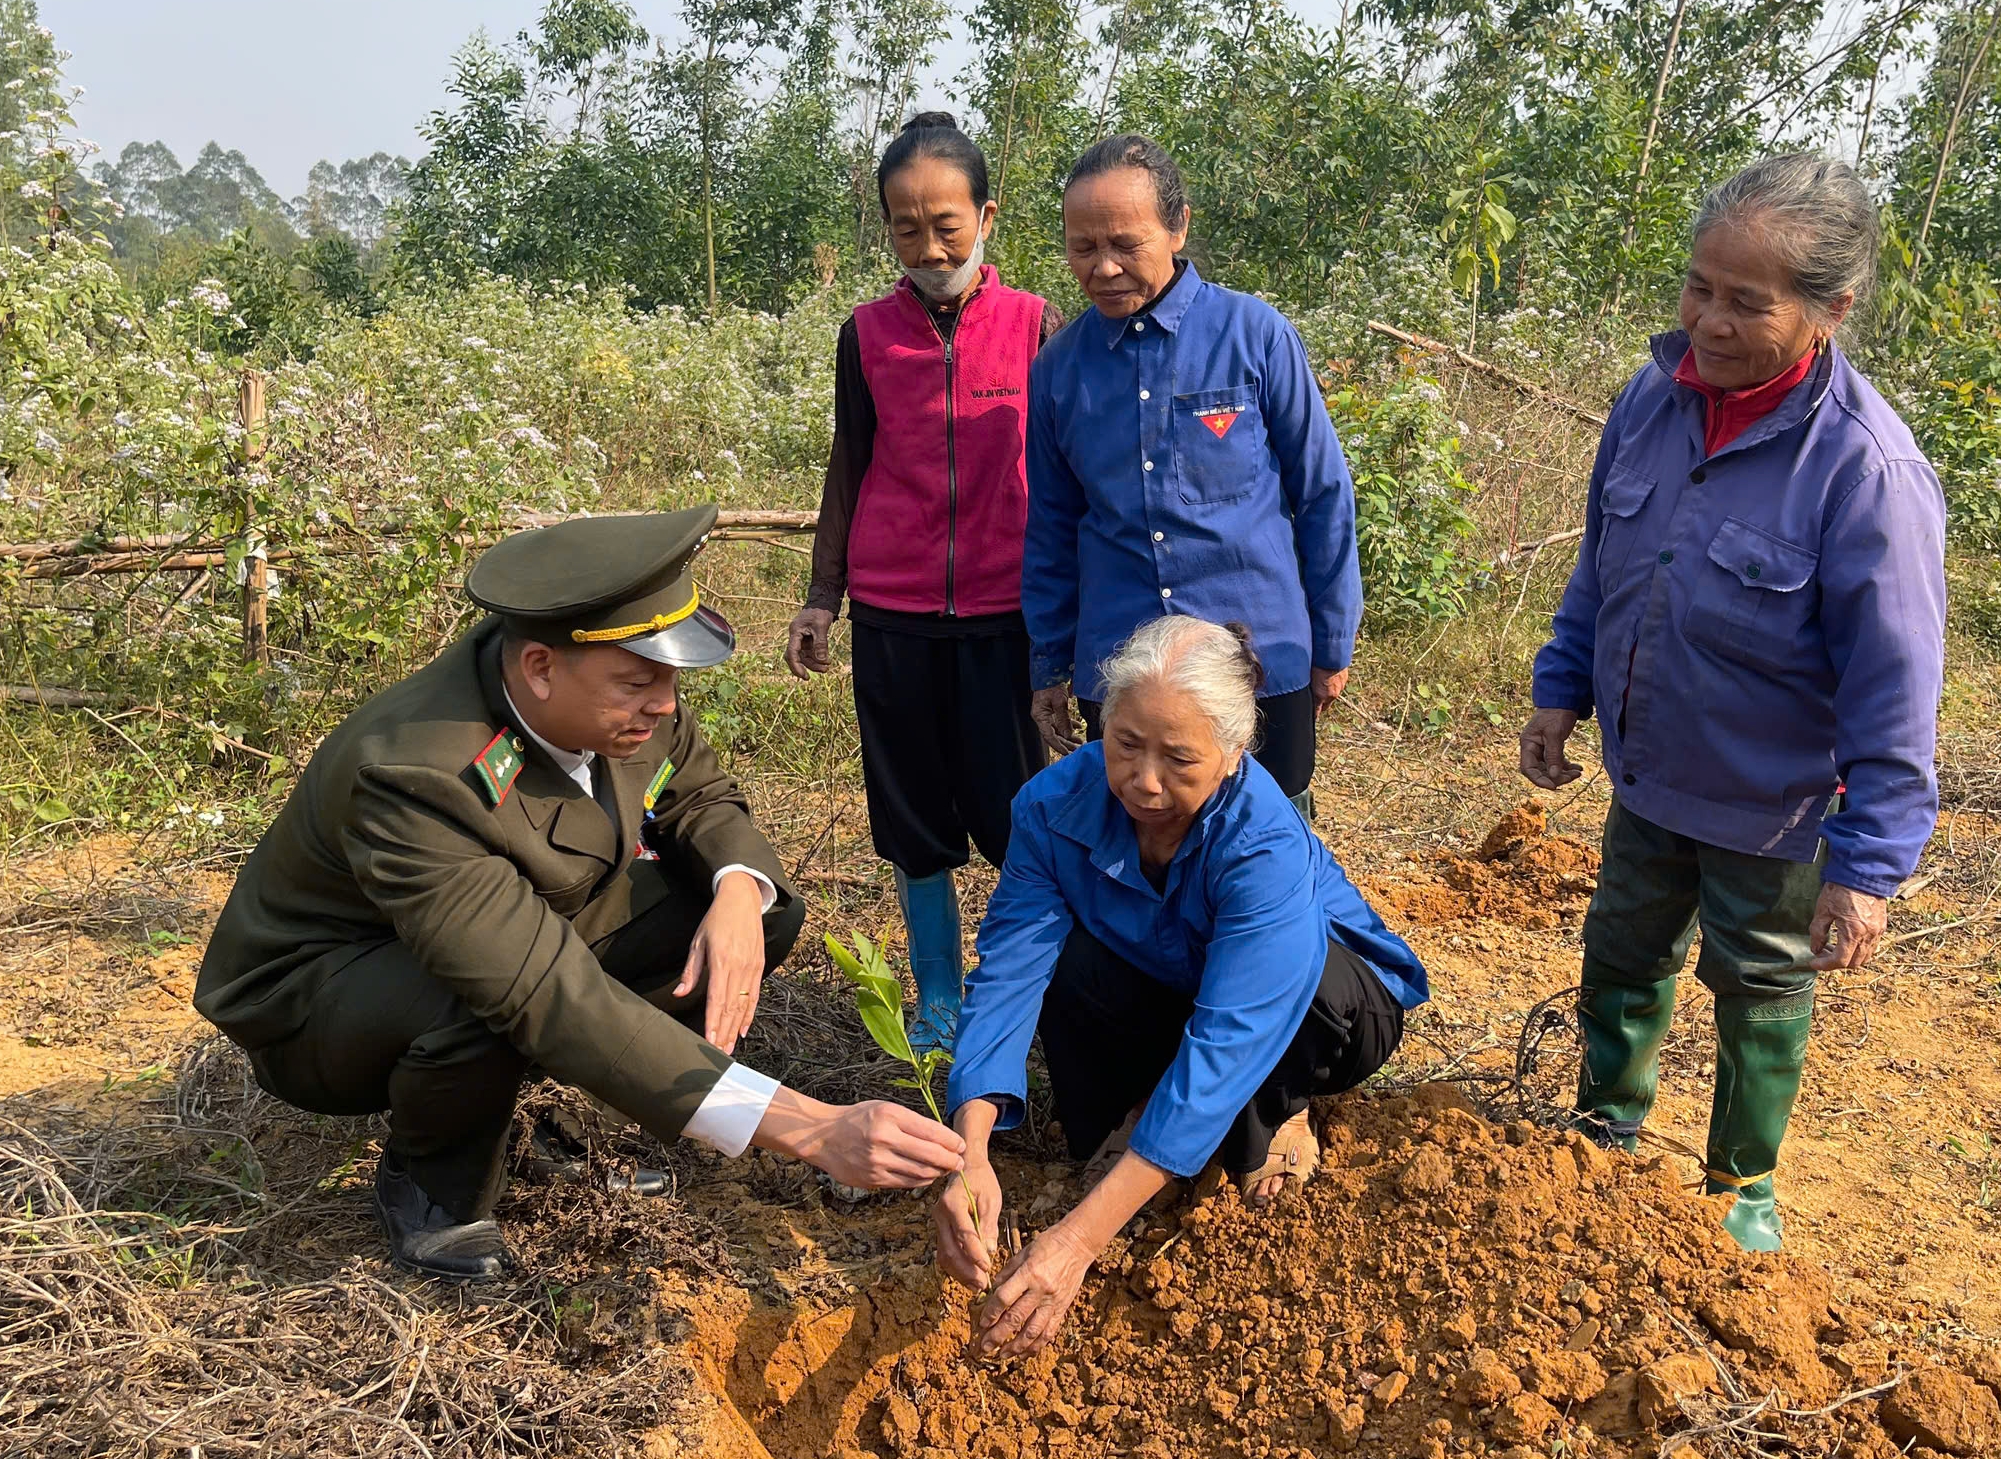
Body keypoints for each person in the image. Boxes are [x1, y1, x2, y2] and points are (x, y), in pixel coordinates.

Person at [196, 507, 965, 1281]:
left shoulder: (611, 685)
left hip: (493, 931)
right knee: (480, 1006)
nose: (664, 703)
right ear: (539, 667)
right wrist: (809, 1126)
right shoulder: (417, 774)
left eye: (669, 678)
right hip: (317, 998)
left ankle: (505, 1118)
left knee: (759, 910)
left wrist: (736, 893)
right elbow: (537, 988)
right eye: (640, 682)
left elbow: (697, 794)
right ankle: (433, 1191)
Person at [1521, 154, 1946, 1252]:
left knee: (1757, 980)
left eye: (1746, 302)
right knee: (1621, 952)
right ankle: (1604, 1130)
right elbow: (1600, 564)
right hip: (1649, 772)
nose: (1708, 320)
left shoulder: (1864, 472)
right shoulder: (1650, 402)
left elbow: (1896, 688)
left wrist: (1866, 871)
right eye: (1698, 287)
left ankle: (1737, 1188)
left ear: (1829, 310)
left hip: (1773, 805)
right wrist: (1559, 688)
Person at [932, 616, 1429, 1359]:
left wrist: (1076, 1240)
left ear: (1232, 754)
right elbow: (1009, 971)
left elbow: (1233, 1036)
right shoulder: (1049, 806)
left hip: (1325, 1013)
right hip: (1179, 983)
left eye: (1179, 757)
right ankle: (1142, 1118)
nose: (1145, 779)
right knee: (1067, 954)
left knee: (1310, 989)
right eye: (1125, 743)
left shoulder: (1261, 837)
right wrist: (966, 1147)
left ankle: (1282, 1107)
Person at [786, 112, 1063, 1056]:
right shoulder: (864, 334)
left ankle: (1024, 990)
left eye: (946, 221)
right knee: (912, 822)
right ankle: (938, 1001)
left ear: (987, 215)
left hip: (1008, 615)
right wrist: (824, 594)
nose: (929, 244)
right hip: (897, 617)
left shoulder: (1036, 325)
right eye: (906, 227)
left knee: (1023, 814)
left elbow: (1068, 472)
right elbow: (849, 462)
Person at [1023, 134, 1363, 823]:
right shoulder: (1059, 370)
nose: (1104, 267)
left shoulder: (1255, 335)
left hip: (1258, 659)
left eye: (1125, 243)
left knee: (1268, 843)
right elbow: (1052, 529)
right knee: (1145, 843)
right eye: (1082, 248)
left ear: (1177, 227)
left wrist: (1331, 642)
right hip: (1122, 666)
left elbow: (1321, 491)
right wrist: (1049, 664)